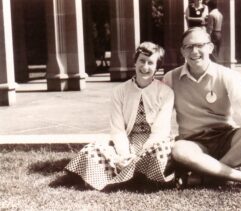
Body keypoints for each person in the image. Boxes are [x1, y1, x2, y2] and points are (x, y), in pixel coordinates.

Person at [163, 27, 241, 194]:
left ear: (210, 48)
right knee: (179, 150)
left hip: (225, 138)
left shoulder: (227, 75)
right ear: (182, 51)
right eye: (188, 47)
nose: (194, 51)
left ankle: (206, 175)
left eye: (199, 45)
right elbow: (160, 115)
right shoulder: (170, 78)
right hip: (193, 142)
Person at [65, 42, 175, 191]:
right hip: (126, 143)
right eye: (142, 60)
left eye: (151, 63)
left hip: (153, 145)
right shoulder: (120, 91)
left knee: (161, 150)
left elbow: (161, 131)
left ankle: (127, 176)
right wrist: (124, 155)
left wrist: (141, 154)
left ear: (157, 66)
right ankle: (134, 176)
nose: (145, 67)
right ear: (135, 61)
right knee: (91, 149)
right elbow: (117, 128)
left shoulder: (166, 92)